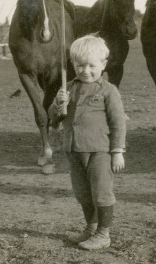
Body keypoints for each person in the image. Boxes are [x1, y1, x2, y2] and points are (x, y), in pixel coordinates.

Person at [49, 34, 127, 250]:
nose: (85, 70)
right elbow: (54, 118)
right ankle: (91, 229)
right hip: (74, 151)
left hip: (100, 152)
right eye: (79, 65)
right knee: (83, 193)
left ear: (103, 64)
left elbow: (118, 123)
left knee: (101, 193)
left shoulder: (109, 91)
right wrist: (58, 103)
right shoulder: (68, 89)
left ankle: (104, 234)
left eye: (91, 65)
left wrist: (118, 150)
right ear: (73, 64)